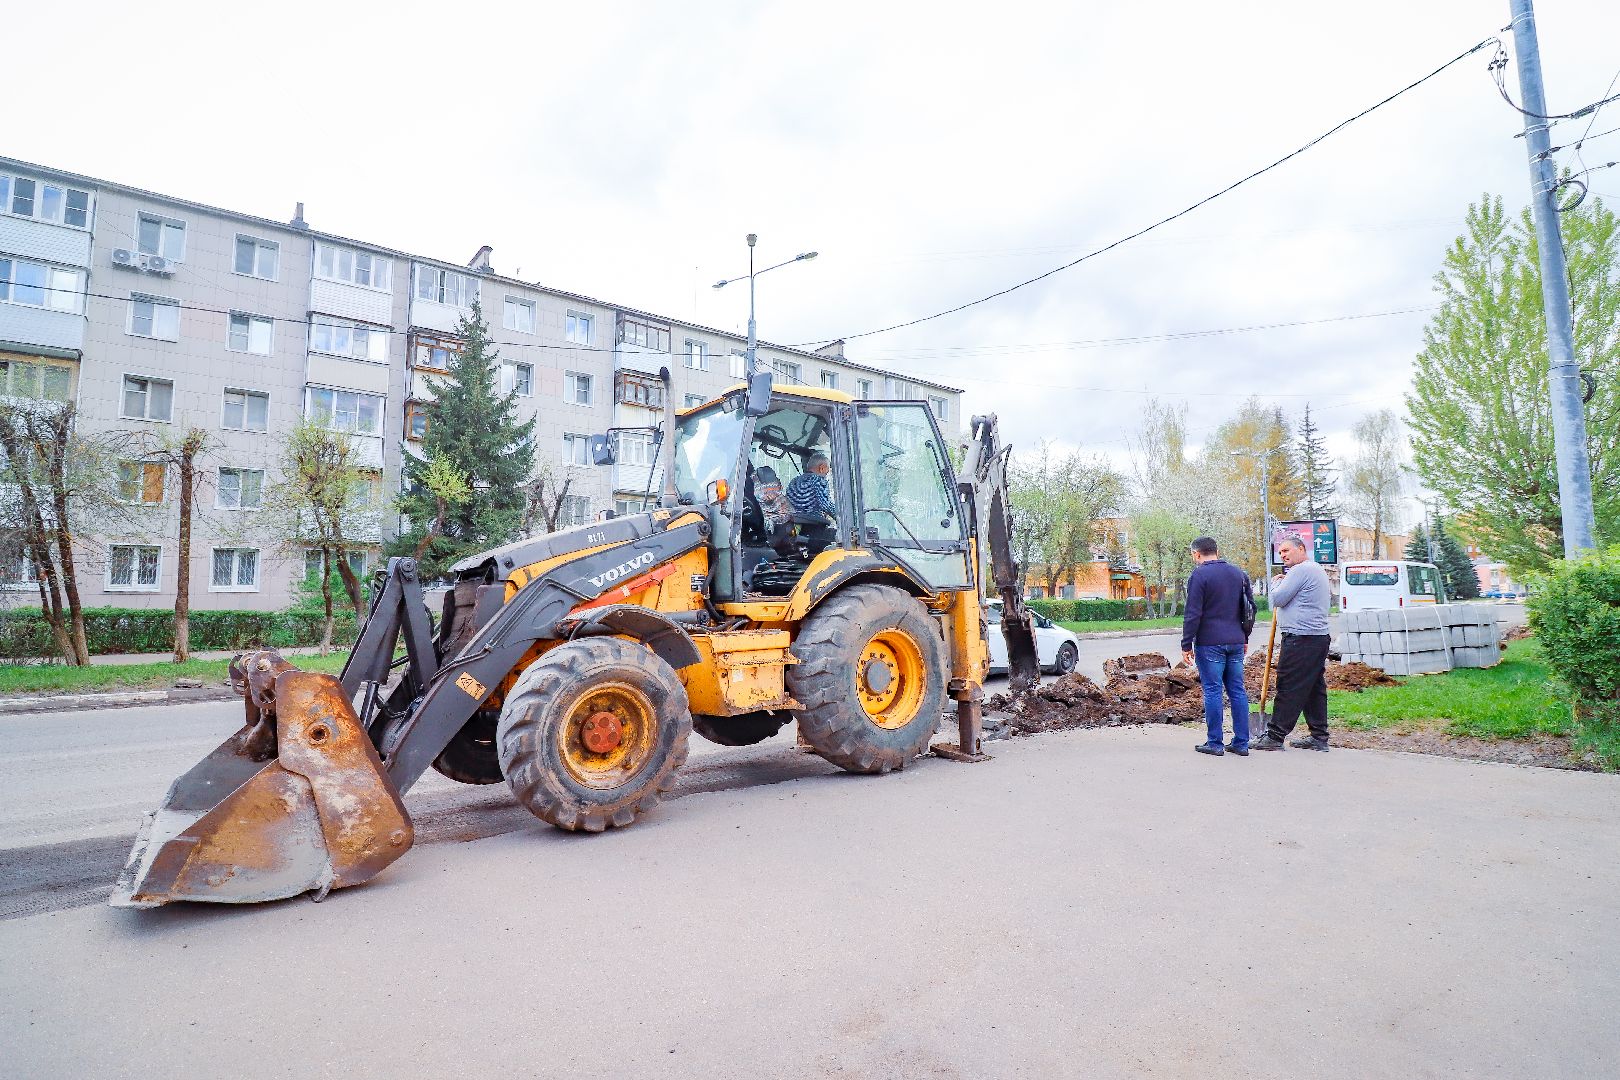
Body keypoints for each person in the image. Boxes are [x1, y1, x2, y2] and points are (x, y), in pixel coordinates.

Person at [1253, 534, 1333, 751]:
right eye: (1280, 553)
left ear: (1301, 549)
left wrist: (1276, 584)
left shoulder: (1301, 570)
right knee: (1314, 688)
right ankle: (1319, 736)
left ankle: (1275, 736)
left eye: (1286, 550)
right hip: (1315, 638)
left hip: (1302, 638)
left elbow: (1277, 600)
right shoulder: (1315, 569)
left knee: (1289, 685)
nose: (1283, 555)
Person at [1180, 536, 1255, 757]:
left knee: (1212, 690)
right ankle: (1242, 743)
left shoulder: (1199, 575)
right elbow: (1249, 609)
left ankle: (1215, 743)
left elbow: (1193, 613)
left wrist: (1186, 644)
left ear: (1196, 554)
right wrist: (1245, 637)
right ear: (1217, 550)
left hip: (1210, 642)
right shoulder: (1238, 573)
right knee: (1237, 691)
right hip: (1236, 640)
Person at [785, 452, 837, 555]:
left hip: (795, 529)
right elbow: (826, 505)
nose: (827, 473)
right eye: (827, 469)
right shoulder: (819, 480)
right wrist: (842, 518)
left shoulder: (794, 481)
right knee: (842, 539)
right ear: (822, 468)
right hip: (814, 528)